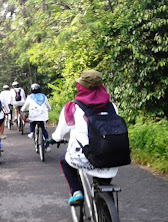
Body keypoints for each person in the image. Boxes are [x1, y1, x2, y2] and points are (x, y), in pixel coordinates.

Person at [47, 70, 119, 205]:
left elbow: (59, 133)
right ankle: (108, 212)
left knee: (64, 161)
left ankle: (77, 191)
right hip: (112, 157)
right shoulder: (112, 107)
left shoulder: (72, 107)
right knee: (104, 179)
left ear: (81, 86)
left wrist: (54, 139)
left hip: (84, 157)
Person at [21, 83, 52, 152]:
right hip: (43, 116)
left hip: (33, 115)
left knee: (32, 123)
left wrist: (22, 110)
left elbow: (25, 106)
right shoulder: (44, 96)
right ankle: (47, 147)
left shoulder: (30, 97)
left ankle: (31, 132)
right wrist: (49, 109)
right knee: (44, 130)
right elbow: (48, 106)